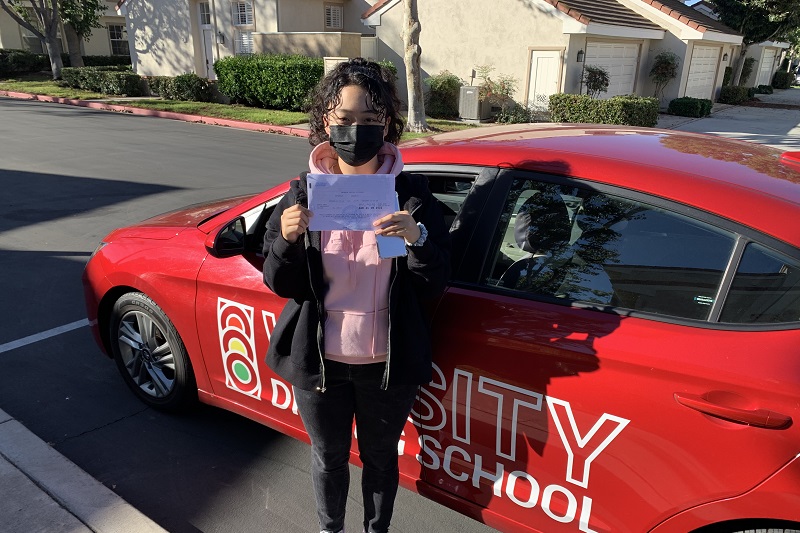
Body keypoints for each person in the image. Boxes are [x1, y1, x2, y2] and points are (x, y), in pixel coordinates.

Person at [261, 58, 451, 533]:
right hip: (321, 359)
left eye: (370, 121)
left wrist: (419, 239)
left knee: (381, 460)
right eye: (344, 120)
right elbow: (280, 282)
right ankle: (331, 529)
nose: (356, 132)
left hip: (386, 362)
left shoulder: (410, 196)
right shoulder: (302, 194)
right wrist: (285, 239)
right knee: (328, 458)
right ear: (326, 120)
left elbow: (433, 285)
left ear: (387, 124)